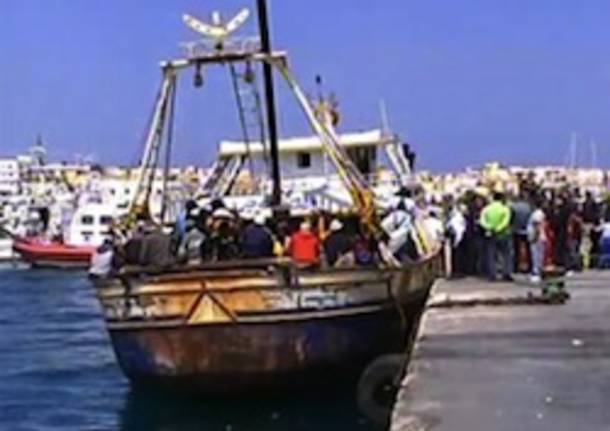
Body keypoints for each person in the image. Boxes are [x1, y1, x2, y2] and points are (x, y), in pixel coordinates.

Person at [480, 191, 512, 281]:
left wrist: (489, 227)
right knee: (506, 255)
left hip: (490, 234)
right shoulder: (505, 209)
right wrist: (498, 228)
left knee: (491, 254)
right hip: (503, 234)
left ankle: (492, 274)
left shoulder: (486, 209)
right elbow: (506, 221)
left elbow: (482, 220)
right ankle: (506, 273)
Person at [511, 190, 532, 273]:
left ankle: (515, 267)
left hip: (515, 230)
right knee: (528, 249)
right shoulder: (529, 207)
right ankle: (530, 266)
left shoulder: (513, 207)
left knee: (516, 249)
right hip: (526, 230)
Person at [527, 198, 547, 283]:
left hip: (537, 237)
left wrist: (535, 236)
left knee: (536, 256)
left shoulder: (537, 214)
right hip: (539, 237)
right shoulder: (540, 213)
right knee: (538, 255)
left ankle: (537, 273)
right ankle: (537, 272)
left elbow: (537, 226)